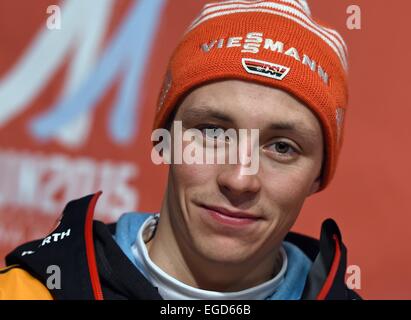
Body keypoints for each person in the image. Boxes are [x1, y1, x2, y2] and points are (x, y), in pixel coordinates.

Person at [0, 0, 360, 300]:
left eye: (282, 147)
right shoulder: (30, 291)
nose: (239, 178)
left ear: (317, 176)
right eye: (213, 132)